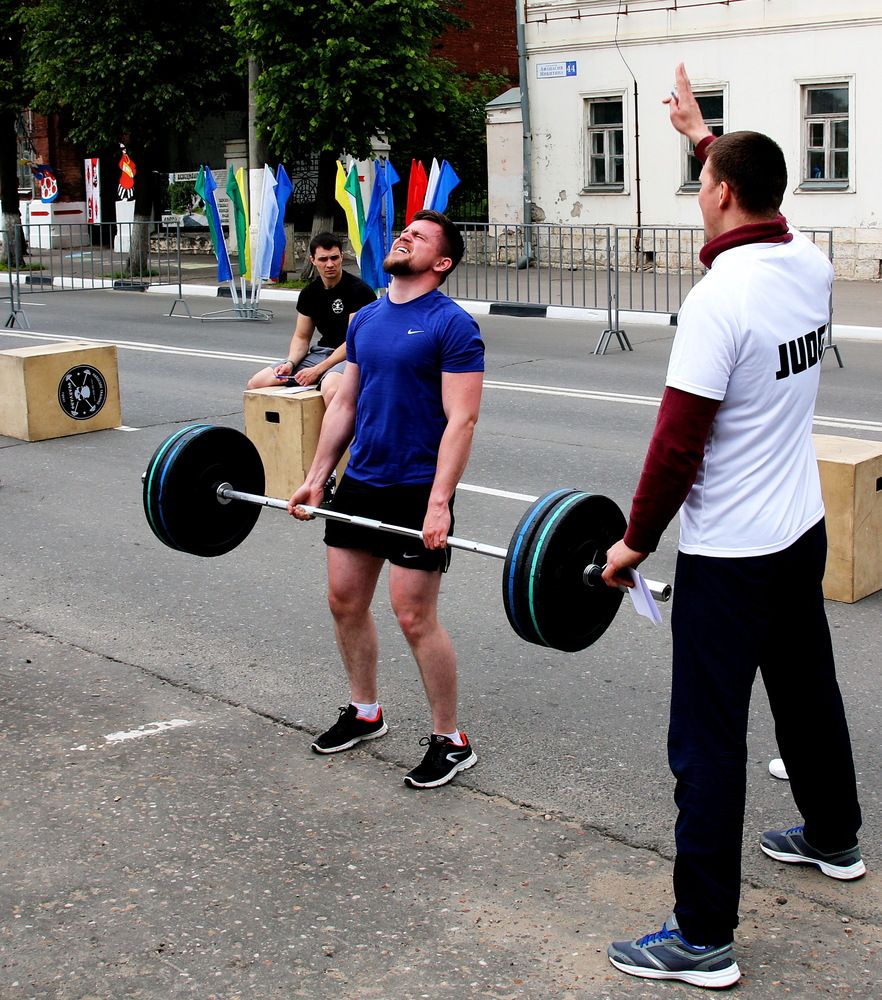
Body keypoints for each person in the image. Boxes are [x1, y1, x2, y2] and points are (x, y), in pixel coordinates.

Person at [603, 63, 864, 989]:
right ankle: (835, 838)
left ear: (717, 195)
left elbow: (677, 447)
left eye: (702, 178)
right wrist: (699, 130)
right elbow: (761, 200)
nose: (700, 188)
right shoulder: (809, 263)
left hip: (732, 556)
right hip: (799, 532)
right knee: (807, 695)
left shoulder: (718, 301)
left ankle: (701, 937)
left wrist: (634, 542)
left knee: (706, 742)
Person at [287, 209, 485, 790]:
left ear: (441, 262)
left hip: (415, 488)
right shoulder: (367, 319)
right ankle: (365, 710)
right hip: (363, 482)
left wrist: (440, 502)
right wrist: (317, 476)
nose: (405, 236)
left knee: (412, 615)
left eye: (419, 237)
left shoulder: (453, 326)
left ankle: (451, 740)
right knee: (344, 601)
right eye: (405, 231)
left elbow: (462, 420)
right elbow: (345, 404)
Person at [246, 232, 376, 406]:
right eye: (323, 259)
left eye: (334, 258)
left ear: (342, 257)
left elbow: (353, 342)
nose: (330, 264)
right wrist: (291, 363)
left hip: (352, 357)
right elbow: (301, 337)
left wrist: (317, 370)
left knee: (331, 390)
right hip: (321, 353)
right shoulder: (310, 293)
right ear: (312, 260)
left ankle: (345, 433)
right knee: (256, 383)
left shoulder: (359, 291)